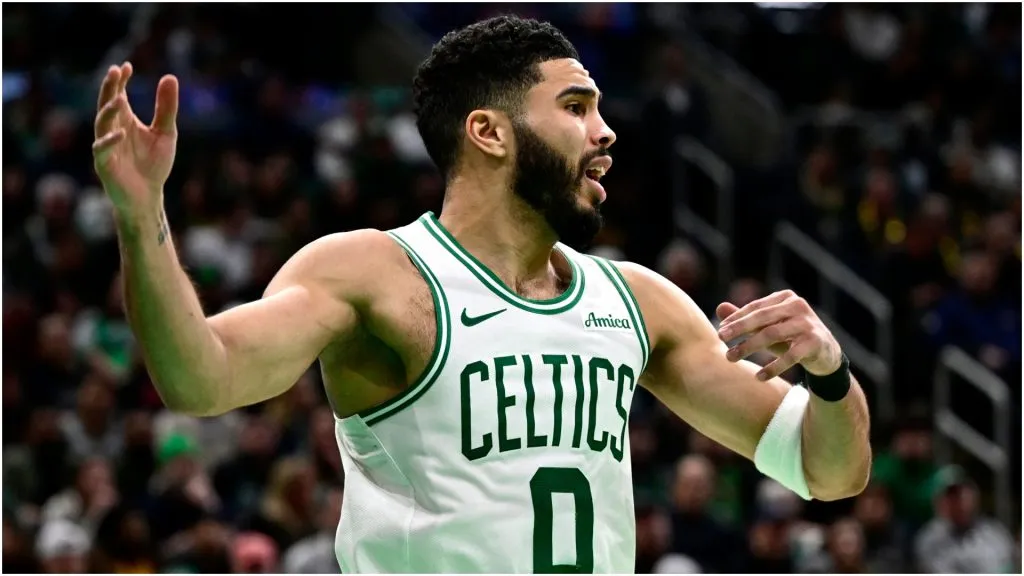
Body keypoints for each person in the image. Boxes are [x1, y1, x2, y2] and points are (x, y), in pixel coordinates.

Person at [91, 15, 871, 574]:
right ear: (489, 133)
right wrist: (140, 214)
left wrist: (830, 374)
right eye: (576, 108)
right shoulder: (374, 274)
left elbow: (830, 470)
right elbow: (201, 378)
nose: (605, 132)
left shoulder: (637, 301)